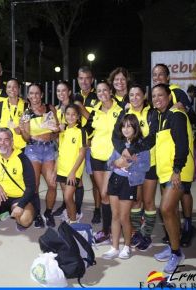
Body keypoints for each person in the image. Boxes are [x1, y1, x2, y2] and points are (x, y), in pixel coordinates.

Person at [152, 63, 196, 247]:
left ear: (168, 77)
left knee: (174, 201)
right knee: (170, 208)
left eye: (161, 74)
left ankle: (187, 227)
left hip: (178, 162)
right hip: (165, 165)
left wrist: (177, 168)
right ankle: (174, 239)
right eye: (155, 75)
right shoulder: (158, 110)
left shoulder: (177, 96)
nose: (158, 77)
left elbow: (187, 120)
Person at [111, 85, 159, 251]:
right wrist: (122, 151)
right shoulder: (125, 112)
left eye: (138, 94)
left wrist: (131, 150)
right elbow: (115, 134)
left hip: (148, 163)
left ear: (144, 96)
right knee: (136, 201)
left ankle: (147, 235)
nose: (135, 98)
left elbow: (152, 137)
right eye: (131, 95)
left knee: (148, 201)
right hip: (131, 166)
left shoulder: (152, 113)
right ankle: (137, 231)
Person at [103, 114, 150, 260]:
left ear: (135, 127)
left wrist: (134, 161)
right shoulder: (119, 143)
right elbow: (110, 162)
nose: (126, 129)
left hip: (129, 183)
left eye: (129, 126)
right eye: (123, 126)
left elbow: (146, 166)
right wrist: (116, 163)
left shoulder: (142, 145)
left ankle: (127, 246)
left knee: (124, 217)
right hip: (115, 180)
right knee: (115, 215)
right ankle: (114, 247)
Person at [85, 81, 123, 244]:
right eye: (99, 91)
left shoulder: (121, 109)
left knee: (117, 195)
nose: (102, 93)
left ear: (110, 91)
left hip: (115, 159)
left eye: (105, 90)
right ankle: (107, 230)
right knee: (104, 195)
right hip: (97, 157)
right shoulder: (95, 111)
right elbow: (86, 130)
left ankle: (119, 226)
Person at [19, 83, 59, 228]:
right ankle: (36, 215)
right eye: (31, 93)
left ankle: (48, 213)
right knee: (34, 186)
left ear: (41, 95)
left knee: (52, 184)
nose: (34, 96)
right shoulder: (27, 113)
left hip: (49, 149)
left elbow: (56, 132)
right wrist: (22, 128)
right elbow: (26, 138)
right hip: (33, 150)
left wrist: (55, 131)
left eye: (37, 93)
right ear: (28, 96)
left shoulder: (50, 108)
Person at [52, 81, 86, 221]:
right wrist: (55, 169)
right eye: (68, 114)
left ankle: (73, 221)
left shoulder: (81, 132)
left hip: (73, 171)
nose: (70, 117)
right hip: (61, 169)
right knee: (67, 198)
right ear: (64, 115)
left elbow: (82, 153)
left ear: (78, 116)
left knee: (67, 197)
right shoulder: (63, 131)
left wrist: (73, 172)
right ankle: (71, 218)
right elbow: (60, 152)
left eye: (74, 115)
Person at [70, 66, 101, 224]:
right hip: (76, 144)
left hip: (92, 144)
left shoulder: (98, 96)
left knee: (95, 180)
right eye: (81, 78)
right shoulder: (75, 96)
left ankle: (97, 209)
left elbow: (97, 122)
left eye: (87, 78)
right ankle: (76, 207)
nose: (84, 81)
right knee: (76, 177)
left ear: (92, 79)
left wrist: (81, 109)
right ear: (77, 79)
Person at [0, 78, 28, 150]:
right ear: (6, 89)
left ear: (19, 89)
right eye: (9, 87)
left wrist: (21, 132)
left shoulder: (26, 106)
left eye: (15, 87)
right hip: (3, 146)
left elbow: (29, 129)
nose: (12, 89)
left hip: (22, 147)